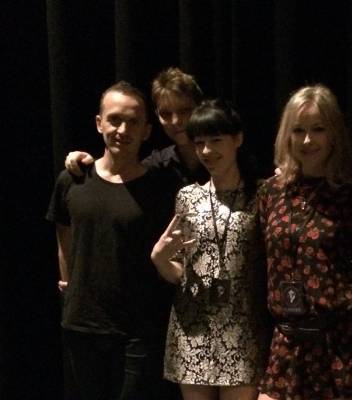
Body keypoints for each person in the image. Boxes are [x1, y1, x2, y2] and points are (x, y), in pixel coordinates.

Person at [46, 81, 181, 399]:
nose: (123, 130)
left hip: (140, 328)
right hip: (83, 324)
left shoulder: (162, 187)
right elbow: (64, 232)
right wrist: (69, 283)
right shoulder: (73, 179)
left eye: (133, 122)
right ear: (99, 123)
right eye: (115, 120)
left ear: (147, 131)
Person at [256, 84, 352, 400]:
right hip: (286, 343)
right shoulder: (270, 193)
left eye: (318, 129)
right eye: (299, 130)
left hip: (338, 347)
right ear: (287, 135)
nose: (307, 140)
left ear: (333, 134)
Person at [150, 99, 269, 400]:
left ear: (237, 139)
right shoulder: (188, 197)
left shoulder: (262, 194)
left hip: (242, 330)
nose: (206, 151)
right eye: (199, 143)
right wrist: (160, 260)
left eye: (216, 140)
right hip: (193, 330)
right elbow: (180, 272)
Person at [64, 67, 207, 189]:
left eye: (185, 111)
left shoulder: (220, 154)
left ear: (200, 108)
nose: (176, 121)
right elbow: (120, 170)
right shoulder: (157, 166)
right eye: (166, 114)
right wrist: (85, 163)